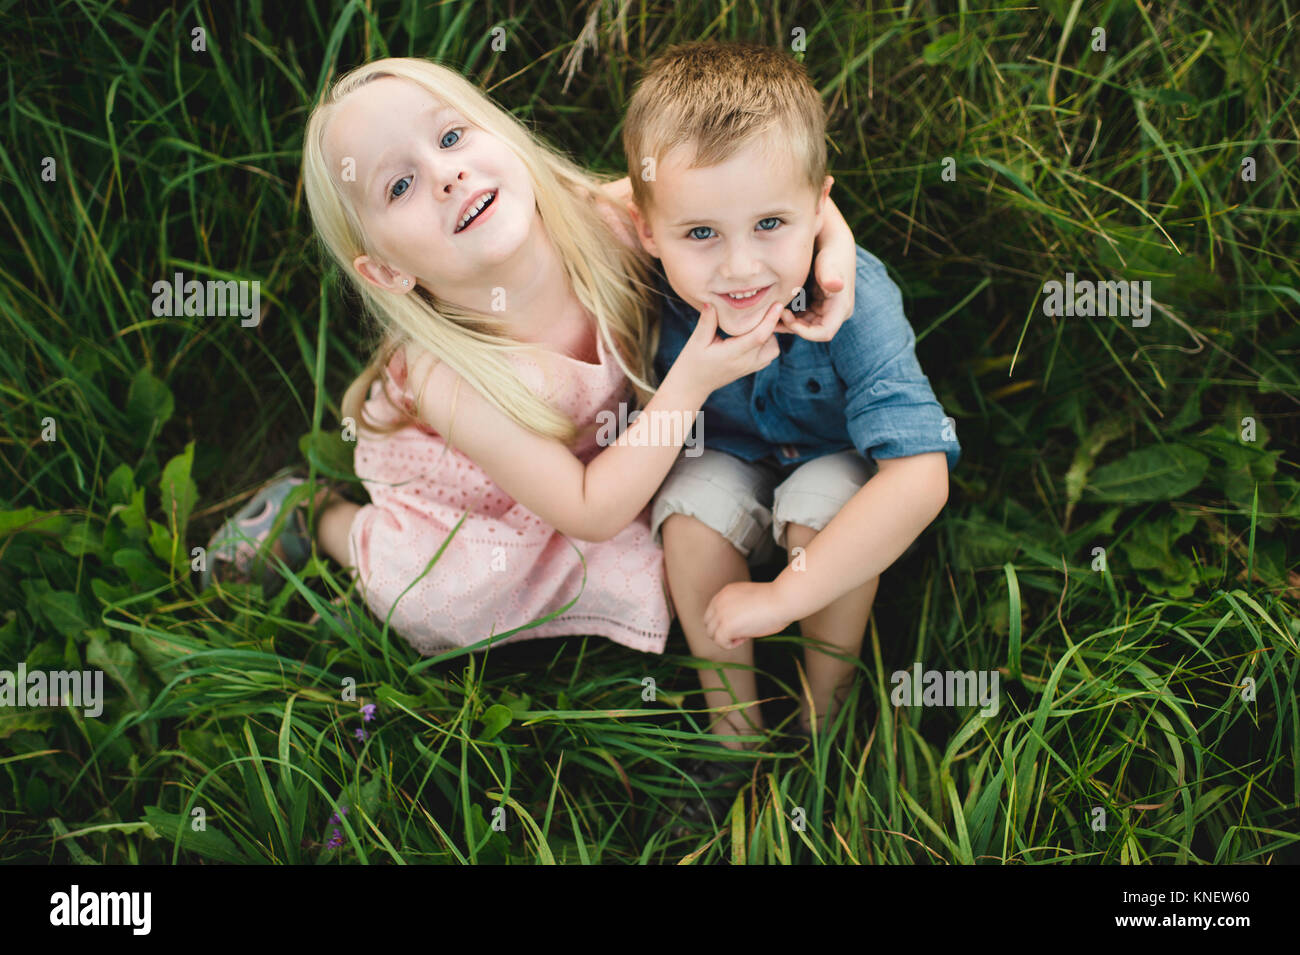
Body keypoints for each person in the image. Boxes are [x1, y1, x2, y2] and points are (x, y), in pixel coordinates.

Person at [199, 56, 857, 659]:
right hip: (491, 498)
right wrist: (691, 383)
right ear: (387, 271)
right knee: (446, 601)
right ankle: (325, 520)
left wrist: (836, 247)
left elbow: (739, 192)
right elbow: (589, 508)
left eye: (452, 137)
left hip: (610, 455)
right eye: (400, 185)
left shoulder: (596, 217)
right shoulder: (445, 377)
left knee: (679, 538)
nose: (446, 174)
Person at [622, 42, 961, 746]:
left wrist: (784, 595)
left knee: (820, 515)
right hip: (730, 452)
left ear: (819, 210)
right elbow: (543, 199)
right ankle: (734, 731)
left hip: (833, 458)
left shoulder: (853, 295)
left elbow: (922, 477)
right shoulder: (640, 273)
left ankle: (824, 714)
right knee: (689, 515)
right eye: (702, 232)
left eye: (771, 224)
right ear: (647, 230)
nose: (740, 267)